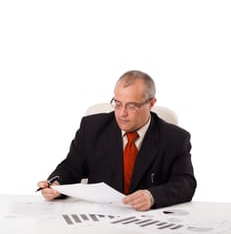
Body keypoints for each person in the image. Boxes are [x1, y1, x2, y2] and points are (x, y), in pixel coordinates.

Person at [37, 70, 197, 211]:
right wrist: (57, 184)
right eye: (118, 104)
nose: (122, 113)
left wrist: (152, 196)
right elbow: (71, 168)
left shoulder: (175, 138)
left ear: (151, 103)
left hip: (148, 221)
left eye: (132, 106)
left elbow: (185, 183)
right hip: (99, 218)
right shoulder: (92, 128)